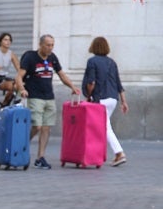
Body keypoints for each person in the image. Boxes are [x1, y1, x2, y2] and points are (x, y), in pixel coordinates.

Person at [15, 34, 80, 169]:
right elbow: (19, 76)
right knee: (36, 126)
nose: (50, 48)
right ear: (41, 45)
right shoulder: (30, 57)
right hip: (34, 96)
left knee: (46, 128)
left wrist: (72, 87)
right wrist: (22, 89)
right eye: (48, 45)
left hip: (49, 97)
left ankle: (40, 158)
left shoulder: (52, 58)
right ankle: (20, 146)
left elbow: (61, 75)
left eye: (52, 45)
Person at [82, 36, 129, 166]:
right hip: (113, 98)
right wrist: (123, 102)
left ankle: (119, 153)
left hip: (100, 98)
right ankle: (103, 154)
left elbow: (91, 82)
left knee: (105, 127)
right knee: (104, 126)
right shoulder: (112, 62)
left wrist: (89, 96)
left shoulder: (92, 61)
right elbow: (118, 84)